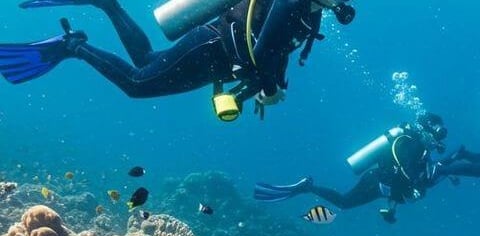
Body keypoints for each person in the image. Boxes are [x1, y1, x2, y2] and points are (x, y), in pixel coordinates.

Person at [0, 0, 355, 120]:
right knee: (137, 84)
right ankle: (71, 45)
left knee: (146, 59)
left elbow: (277, 47)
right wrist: (269, 86)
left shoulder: (313, 11)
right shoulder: (295, 2)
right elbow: (263, 52)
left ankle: (108, 5)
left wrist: (271, 84)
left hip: (219, 58)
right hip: (211, 48)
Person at [254, 113, 448, 223]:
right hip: (374, 181)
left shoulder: (421, 150)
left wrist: (393, 207)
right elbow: (402, 170)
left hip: (380, 184)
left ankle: (308, 187)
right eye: (438, 132)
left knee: (344, 203)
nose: (438, 139)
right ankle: (307, 186)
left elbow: (402, 180)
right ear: (428, 128)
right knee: (344, 203)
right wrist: (413, 186)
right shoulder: (412, 143)